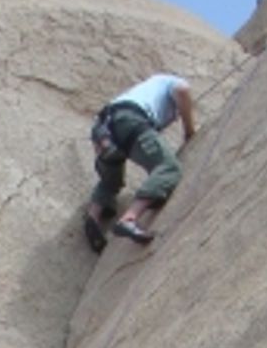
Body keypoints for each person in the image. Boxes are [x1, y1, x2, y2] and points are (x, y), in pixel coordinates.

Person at [84, 71, 197, 252]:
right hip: (131, 121)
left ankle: (94, 215)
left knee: (110, 179)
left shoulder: (147, 89)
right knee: (168, 167)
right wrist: (189, 131)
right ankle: (129, 219)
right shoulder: (173, 82)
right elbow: (182, 91)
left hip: (103, 128)